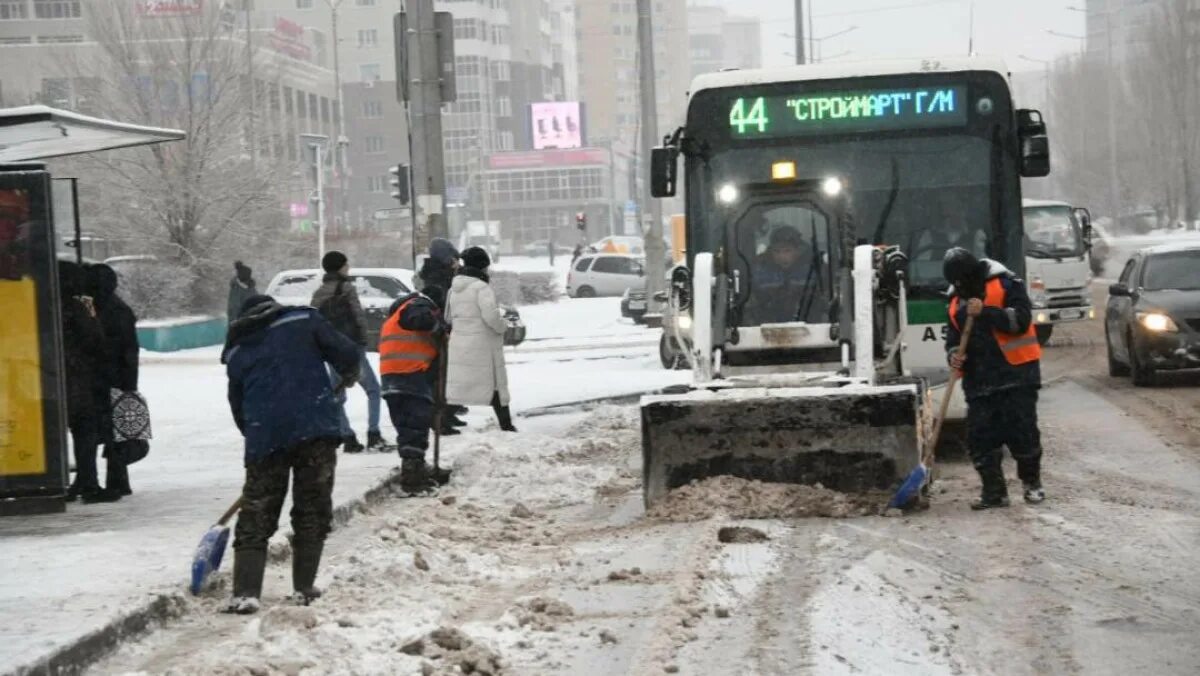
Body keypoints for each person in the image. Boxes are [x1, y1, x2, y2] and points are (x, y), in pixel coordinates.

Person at [221, 294, 361, 614]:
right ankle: (304, 588)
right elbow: (348, 352)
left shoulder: (237, 350)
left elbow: (238, 406)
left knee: (257, 512)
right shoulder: (303, 321)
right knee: (312, 507)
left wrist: (261, 437)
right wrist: (349, 371)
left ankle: (245, 592)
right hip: (315, 430)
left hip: (264, 435)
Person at [943, 247, 1045, 510]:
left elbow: (1020, 321)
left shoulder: (1007, 284)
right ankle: (994, 492)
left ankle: (1032, 483)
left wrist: (987, 311)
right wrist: (954, 356)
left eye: (963, 281)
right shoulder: (955, 303)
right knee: (980, 439)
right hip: (979, 382)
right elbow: (953, 340)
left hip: (1017, 375)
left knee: (1022, 434)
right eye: (956, 284)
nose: (961, 287)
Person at [379, 285, 451, 494]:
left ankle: (416, 467)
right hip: (409, 375)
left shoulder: (397, 313)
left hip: (393, 377)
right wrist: (437, 326)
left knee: (407, 428)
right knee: (415, 427)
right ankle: (412, 479)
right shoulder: (417, 304)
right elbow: (418, 319)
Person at [310, 251, 383, 453]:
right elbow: (358, 316)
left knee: (337, 395)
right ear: (341, 267)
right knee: (373, 390)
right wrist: (363, 341)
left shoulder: (318, 294)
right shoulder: (347, 288)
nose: (348, 266)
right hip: (352, 348)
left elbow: (315, 324)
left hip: (333, 352)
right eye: (346, 264)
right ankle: (374, 433)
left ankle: (347, 435)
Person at [60, 261, 120, 503]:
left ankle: (81, 481)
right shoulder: (76, 308)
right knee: (85, 430)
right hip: (77, 379)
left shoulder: (43, 304)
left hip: (53, 379)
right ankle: (89, 483)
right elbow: (94, 341)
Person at [446, 247, 517, 433]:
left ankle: (441, 419)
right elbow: (491, 318)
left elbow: (448, 317)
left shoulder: (453, 289)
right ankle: (506, 425)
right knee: (495, 385)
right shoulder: (481, 288)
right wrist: (503, 326)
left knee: (463, 386)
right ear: (481, 267)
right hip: (483, 347)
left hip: (460, 344)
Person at [89, 264, 140, 496]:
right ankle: (117, 479)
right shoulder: (118, 309)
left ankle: (111, 481)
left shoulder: (101, 311)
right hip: (116, 379)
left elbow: (125, 351)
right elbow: (130, 351)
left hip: (105, 379)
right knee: (113, 432)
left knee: (105, 430)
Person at [416, 238, 467, 435]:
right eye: (453, 258)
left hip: (445, 329)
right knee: (441, 376)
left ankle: (446, 412)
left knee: (447, 374)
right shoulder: (438, 277)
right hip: (440, 331)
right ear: (446, 259)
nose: (456, 262)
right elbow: (443, 302)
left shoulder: (441, 274)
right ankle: (439, 418)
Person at [748, 226, 816, 324]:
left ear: (798, 251)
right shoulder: (759, 273)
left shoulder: (814, 270)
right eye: (777, 251)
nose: (782, 256)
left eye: (787, 251)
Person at [227, 261, 257, 326]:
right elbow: (234, 307)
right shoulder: (237, 289)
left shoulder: (251, 288)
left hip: (250, 321)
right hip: (240, 323)